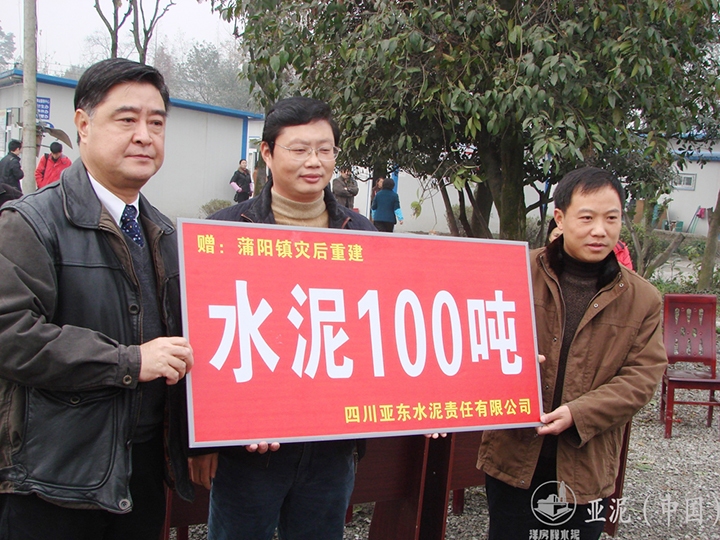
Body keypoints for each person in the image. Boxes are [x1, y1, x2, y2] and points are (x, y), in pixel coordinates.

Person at [0, 58, 195, 540]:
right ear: (83, 125)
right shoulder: (31, 223)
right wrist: (128, 360)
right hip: (56, 479)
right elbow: (11, 336)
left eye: (156, 123)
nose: (144, 136)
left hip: (142, 471)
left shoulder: (166, 233)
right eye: (127, 119)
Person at [190, 96, 376, 540]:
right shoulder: (224, 232)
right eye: (299, 149)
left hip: (331, 447)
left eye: (325, 149)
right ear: (268, 153)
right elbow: (201, 338)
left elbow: (377, 335)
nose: (314, 161)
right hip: (248, 450)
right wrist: (203, 438)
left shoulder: (363, 234)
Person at [477, 167, 666, 540]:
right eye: (587, 218)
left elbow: (641, 379)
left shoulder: (643, 299)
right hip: (514, 455)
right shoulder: (515, 272)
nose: (600, 230)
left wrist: (578, 413)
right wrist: (507, 365)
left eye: (611, 218)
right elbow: (477, 341)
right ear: (560, 219)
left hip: (586, 466)